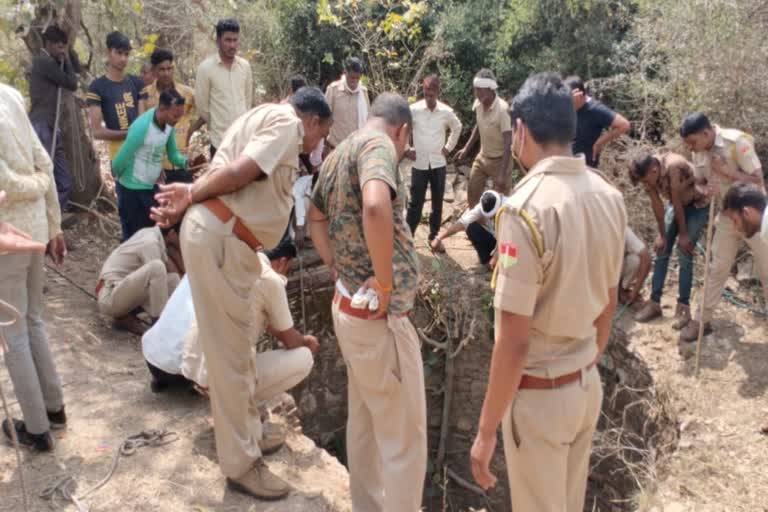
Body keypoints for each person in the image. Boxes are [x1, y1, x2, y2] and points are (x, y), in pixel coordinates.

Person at [149, 87, 331, 501]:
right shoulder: (287, 124)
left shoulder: (262, 116)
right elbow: (245, 169)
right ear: (313, 121)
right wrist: (191, 194)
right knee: (231, 359)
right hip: (224, 237)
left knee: (239, 349)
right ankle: (241, 465)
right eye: (320, 136)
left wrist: (191, 194)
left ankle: (248, 433)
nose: (316, 145)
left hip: (228, 239)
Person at [469, 72, 626, 511]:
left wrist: (484, 434)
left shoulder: (526, 207)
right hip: (584, 384)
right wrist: (582, 363)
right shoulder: (608, 196)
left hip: (540, 397)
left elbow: (514, 341)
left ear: (519, 130)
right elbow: (608, 302)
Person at [308, 93, 426, 512]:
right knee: (403, 436)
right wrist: (385, 282)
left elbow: (315, 217)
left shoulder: (340, 152)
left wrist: (333, 262)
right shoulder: (378, 147)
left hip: (350, 312)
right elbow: (376, 205)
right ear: (402, 131)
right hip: (380, 321)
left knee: (366, 424)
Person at [142, 237, 316, 397]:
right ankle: (243, 407)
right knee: (304, 357)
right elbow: (291, 341)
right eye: (288, 269)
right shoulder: (269, 279)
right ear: (282, 261)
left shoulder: (220, 256)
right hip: (190, 373)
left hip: (154, 360)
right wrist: (306, 341)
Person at [0, 83, 68, 452]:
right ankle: (54, 409)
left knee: (14, 334)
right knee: (32, 321)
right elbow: (43, 162)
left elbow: (7, 182)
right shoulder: (9, 94)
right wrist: (53, 223)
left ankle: (37, 428)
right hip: (35, 229)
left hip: (8, 237)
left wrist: (41, 187)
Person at [678, 113, 768, 341]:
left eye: (693, 141)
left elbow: (758, 180)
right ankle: (701, 321)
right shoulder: (697, 151)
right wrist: (705, 190)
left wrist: (728, 172)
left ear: (706, 133)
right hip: (727, 217)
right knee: (717, 268)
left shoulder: (736, 142)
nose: (690, 147)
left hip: (753, 218)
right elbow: (699, 182)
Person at [629, 153, 710, 326]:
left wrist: (684, 235)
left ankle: (683, 308)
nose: (645, 184)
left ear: (654, 170)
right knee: (661, 249)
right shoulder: (647, 175)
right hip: (676, 205)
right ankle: (654, 303)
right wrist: (662, 235)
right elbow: (658, 206)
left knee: (684, 251)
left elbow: (678, 201)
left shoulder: (674, 166)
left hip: (696, 204)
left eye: (645, 181)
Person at [111, 88, 197, 241]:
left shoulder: (168, 126)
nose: (177, 120)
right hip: (132, 189)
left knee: (154, 233)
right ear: (162, 108)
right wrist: (119, 180)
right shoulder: (142, 127)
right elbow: (120, 159)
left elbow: (173, 154)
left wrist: (185, 162)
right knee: (134, 237)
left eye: (180, 115)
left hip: (151, 187)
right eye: (174, 115)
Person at [406, 75, 462, 250]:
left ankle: (434, 237)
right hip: (419, 163)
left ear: (438, 92)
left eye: (432, 94)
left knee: (437, 202)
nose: (429, 98)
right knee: (416, 203)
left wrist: (448, 147)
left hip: (438, 163)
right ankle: (408, 238)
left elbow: (457, 127)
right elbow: (403, 127)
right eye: (426, 94)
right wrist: (407, 148)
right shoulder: (413, 110)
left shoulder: (446, 112)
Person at [28, 25, 79, 211]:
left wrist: (67, 57)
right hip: (41, 125)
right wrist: (66, 60)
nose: (61, 49)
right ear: (48, 44)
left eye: (64, 46)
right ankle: (40, 213)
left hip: (52, 125)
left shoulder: (54, 62)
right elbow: (72, 83)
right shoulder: (43, 62)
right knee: (43, 171)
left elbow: (74, 75)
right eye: (58, 45)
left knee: (62, 174)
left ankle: (56, 213)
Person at [96, 225, 182, 334]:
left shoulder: (153, 235)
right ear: (172, 233)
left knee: (173, 279)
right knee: (157, 267)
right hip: (109, 296)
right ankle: (159, 327)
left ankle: (179, 322)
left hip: (120, 291)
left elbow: (170, 275)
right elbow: (157, 279)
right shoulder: (150, 243)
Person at [188, 18, 253, 159]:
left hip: (243, 140)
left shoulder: (245, 67)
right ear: (218, 41)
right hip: (220, 142)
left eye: (235, 40)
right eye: (228, 40)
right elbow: (203, 107)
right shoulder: (206, 69)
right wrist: (217, 125)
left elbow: (248, 100)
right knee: (222, 180)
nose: (232, 45)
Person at [455, 69, 513, 207]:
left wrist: (502, 175)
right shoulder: (478, 104)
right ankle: (478, 225)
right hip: (483, 157)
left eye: (481, 90)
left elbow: (508, 143)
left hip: (500, 161)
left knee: (501, 202)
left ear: (491, 88)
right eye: (476, 90)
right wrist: (466, 148)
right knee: (472, 194)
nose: (477, 94)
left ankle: (498, 227)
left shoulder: (503, 110)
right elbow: (478, 126)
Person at [87, 31, 148, 160]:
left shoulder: (137, 83)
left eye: (126, 54)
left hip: (142, 152)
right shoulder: (97, 87)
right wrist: (129, 134)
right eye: (119, 53)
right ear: (108, 52)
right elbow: (97, 131)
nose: (123, 59)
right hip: (118, 155)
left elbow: (143, 121)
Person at [145, 48, 198, 184]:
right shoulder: (145, 96)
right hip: (157, 165)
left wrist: (191, 130)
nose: (166, 73)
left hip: (181, 161)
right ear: (154, 71)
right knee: (159, 204)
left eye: (169, 69)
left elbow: (206, 110)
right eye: (162, 69)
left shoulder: (187, 93)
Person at [564, 75, 630, 168]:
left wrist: (599, 143)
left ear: (580, 95)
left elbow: (624, 125)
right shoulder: (570, 106)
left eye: (570, 100)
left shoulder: (595, 110)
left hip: (587, 167)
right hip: (569, 163)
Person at [431, 190, 503, 268]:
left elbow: (507, 239)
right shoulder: (481, 207)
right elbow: (460, 224)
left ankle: (501, 265)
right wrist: (438, 238)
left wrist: (496, 256)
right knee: (471, 226)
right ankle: (487, 261)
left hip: (510, 244)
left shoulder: (509, 211)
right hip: (495, 239)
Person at [324, 57, 370, 150]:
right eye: (352, 77)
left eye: (357, 78)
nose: (355, 81)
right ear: (345, 73)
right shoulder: (333, 90)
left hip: (357, 149)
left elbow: (368, 119)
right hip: (337, 148)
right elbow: (325, 118)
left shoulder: (363, 92)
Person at [620, 227, 651, 305]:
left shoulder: (624, 230)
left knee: (636, 260)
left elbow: (646, 257)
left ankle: (622, 289)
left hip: (615, 270)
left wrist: (635, 291)